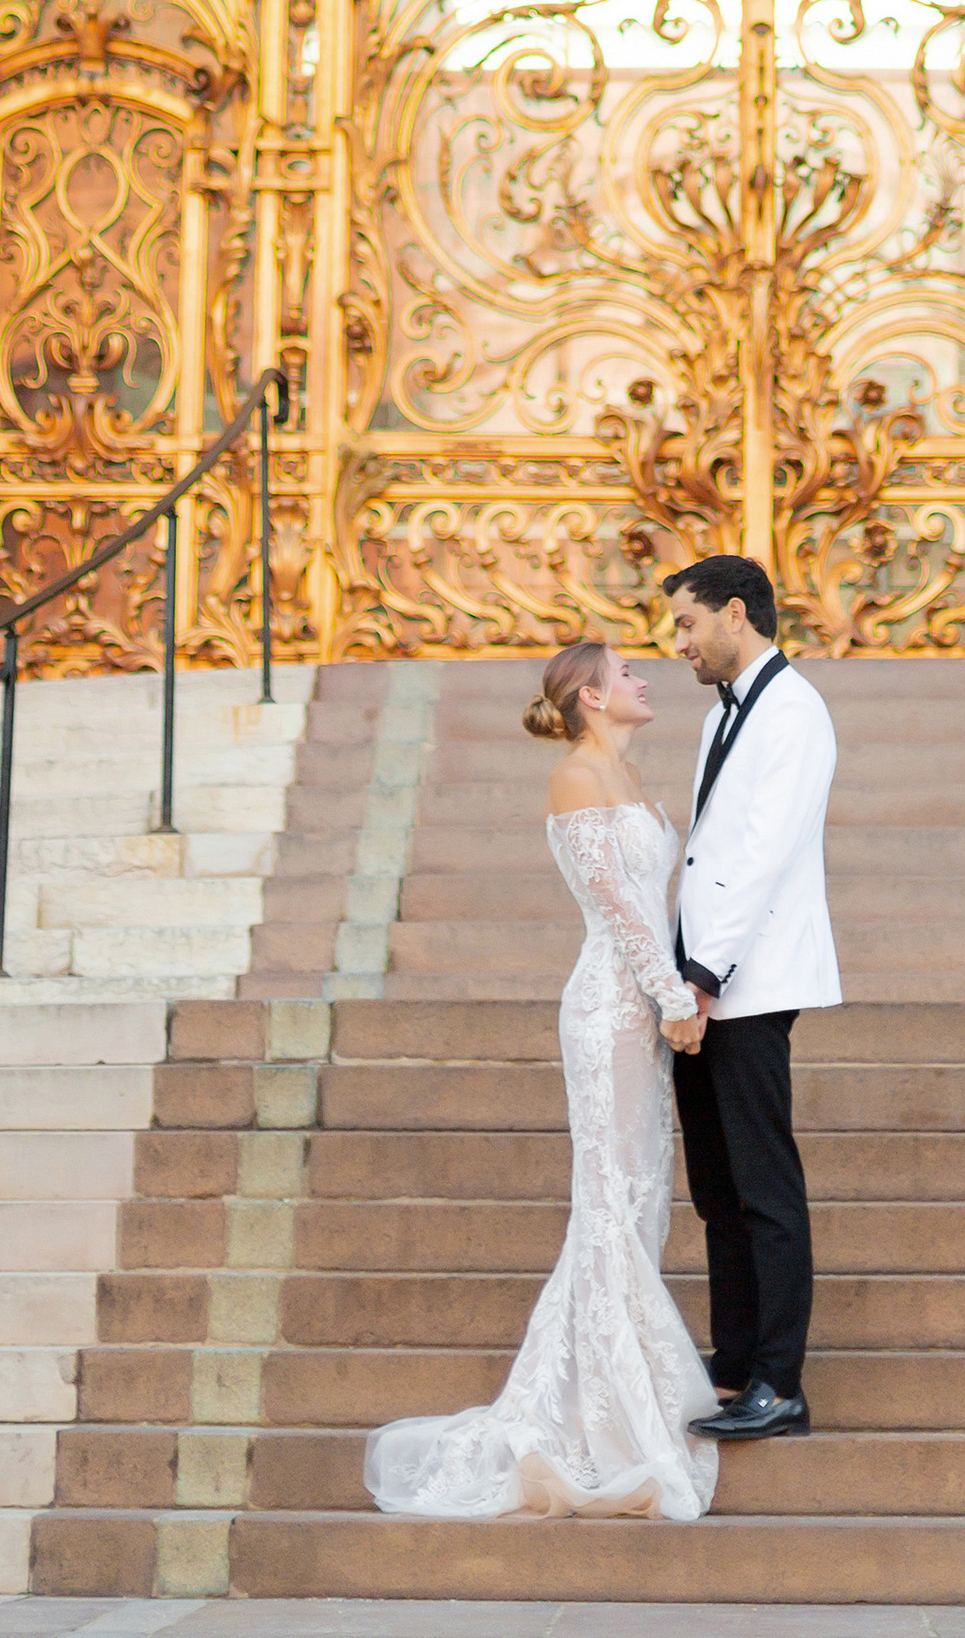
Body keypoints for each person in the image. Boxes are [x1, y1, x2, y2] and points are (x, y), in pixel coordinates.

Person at [361, 638, 720, 1521]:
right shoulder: (576, 779)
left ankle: (611, 1388)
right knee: (607, 1198)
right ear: (593, 696)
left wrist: (674, 998)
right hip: (608, 1008)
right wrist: (675, 993)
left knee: (636, 1199)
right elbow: (618, 906)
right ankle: (604, 1411)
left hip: (645, 1012)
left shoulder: (627, 777)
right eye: (627, 672)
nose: (643, 679)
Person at [665, 553, 839, 1444]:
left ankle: (780, 1381)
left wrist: (701, 979)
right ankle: (734, 1363)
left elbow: (763, 854)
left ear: (737, 613)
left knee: (764, 1183)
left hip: (751, 980)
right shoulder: (719, 718)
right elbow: (708, 853)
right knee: (718, 1186)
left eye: (689, 624)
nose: (679, 643)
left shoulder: (795, 714)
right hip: (704, 976)